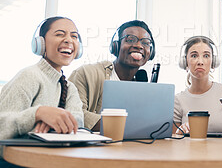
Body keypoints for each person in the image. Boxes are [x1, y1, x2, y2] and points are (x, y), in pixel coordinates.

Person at [0, 16, 84, 161]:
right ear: (41, 44)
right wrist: (38, 113)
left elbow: (78, 123)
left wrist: (54, 122)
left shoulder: (70, 88)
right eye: (59, 34)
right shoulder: (29, 75)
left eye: (74, 36)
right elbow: (2, 125)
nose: (69, 40)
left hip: (51, 158)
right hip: (15, 161)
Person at [68, 20, 155, 131]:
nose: (139, 46)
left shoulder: (143, 84)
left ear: (151, 52)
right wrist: (123, 126)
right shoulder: (85, 73)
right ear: (116, 46)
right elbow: (75, 114)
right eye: (130, 40)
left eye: (145, 43)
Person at [174, 36, 222, 134]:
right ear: (185, 62)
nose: (200, 62)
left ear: (213, 62)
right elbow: (173, 142)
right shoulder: (178, 100)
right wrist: (179, 132)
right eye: (194, 56)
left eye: (206, 56)